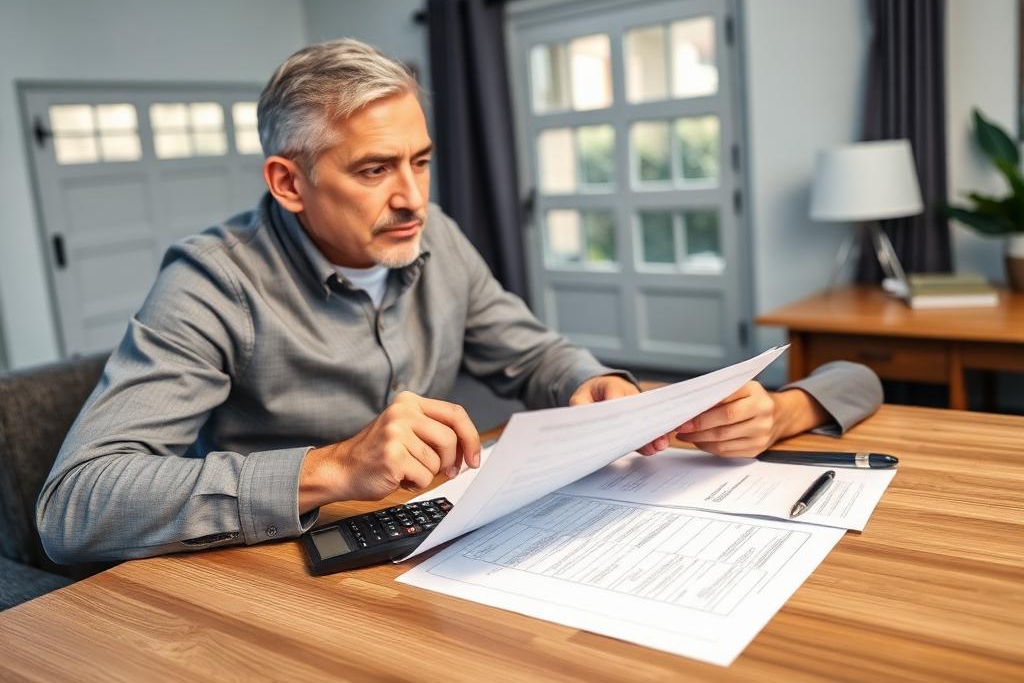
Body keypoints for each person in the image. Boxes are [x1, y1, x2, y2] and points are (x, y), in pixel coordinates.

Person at [37, 39, 882, 564]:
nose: (411, 198)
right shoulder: (211, 282)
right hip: (282, 582)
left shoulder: (429, 231)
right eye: (375, 170)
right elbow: (74, 507)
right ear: (288, 183)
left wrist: (593, 383)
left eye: (422, 160)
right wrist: (329, 467)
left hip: (437, 546)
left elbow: (531, 352)